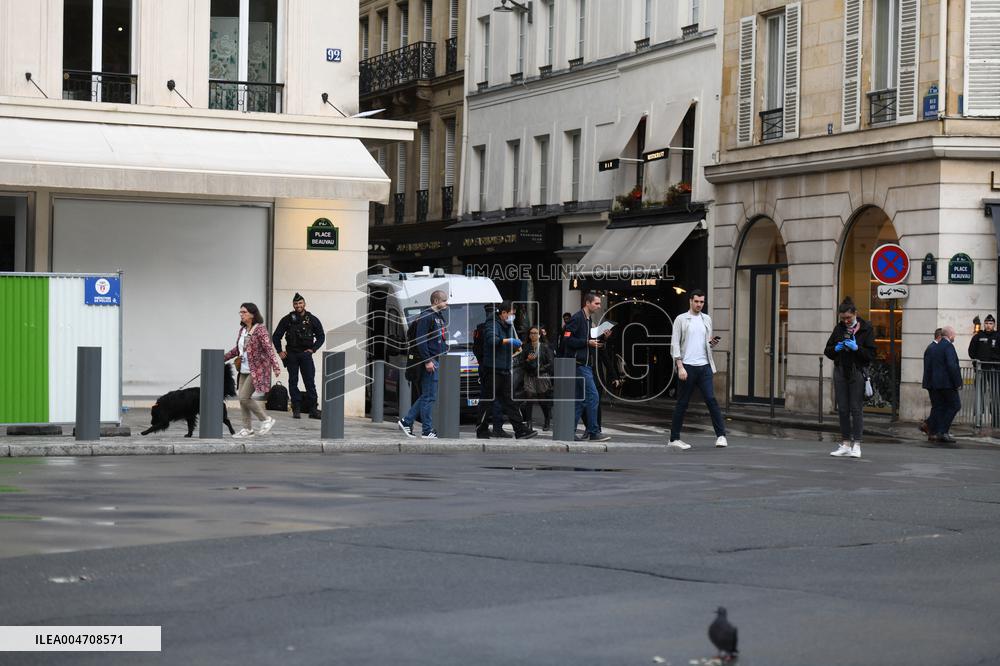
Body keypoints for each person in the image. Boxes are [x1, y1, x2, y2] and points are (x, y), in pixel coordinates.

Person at [667, 289, 727, 450]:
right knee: (682, 403)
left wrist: (712, 343)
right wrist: (680, 366)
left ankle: (721, 436)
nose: (699, 304)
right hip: (687, 366)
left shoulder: (706, 319)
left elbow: (706, 343)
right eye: (697, 301)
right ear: (690, 301)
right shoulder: (681, 319)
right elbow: (675, 344)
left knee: (711, 400)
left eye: (702, 302)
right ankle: (674, 438)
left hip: (705, 366)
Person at [475, 301, 537, 439]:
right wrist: (509, 341)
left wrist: (514, 345)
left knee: (510, 401)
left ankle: (520, 430)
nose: (512, 316)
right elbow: (492, 340)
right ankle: (481, 429)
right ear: (503, 313)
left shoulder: (507, 325)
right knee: (488, 401)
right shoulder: (492, 324)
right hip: (492, 369)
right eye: (511, 314)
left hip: (504, 369)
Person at [823, 297, 876, 458]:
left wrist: (856, 348)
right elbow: (827, 350)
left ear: (855, 314)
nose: (846, 321)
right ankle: (845, 444)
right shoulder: (839, 328)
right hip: (840, 371)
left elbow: (870, 355)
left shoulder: (866, 328)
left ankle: (857, 445)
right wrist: (836, 348)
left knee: (856, 408)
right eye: (843, 318)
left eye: (848, 318)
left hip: (857, 371)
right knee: (843, 409)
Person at [223, 302, 283, 439]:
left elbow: (268, 349)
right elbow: (238, 349)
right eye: (240, 312)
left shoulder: (260, 330)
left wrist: (276, 366)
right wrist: (223, 358)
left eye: (244, 312)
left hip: (257, 370)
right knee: (242, 399)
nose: (241, 314)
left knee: (244, 397)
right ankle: (247, 429)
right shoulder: (243, 330)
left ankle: (266, 419)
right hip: (244, 369)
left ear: (252, 314)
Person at [397, 290, 449, 439]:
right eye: (444, 300)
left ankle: (407, 422)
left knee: (428, 395)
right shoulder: (427, 316)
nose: (447, 303)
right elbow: (421, 340)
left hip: (436, 360)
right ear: (436, 301)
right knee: (428, 396)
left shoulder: (438, 317)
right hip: (430, 361)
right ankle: (426, 430)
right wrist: (427, 361)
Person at [562, 293, 611, 442]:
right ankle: (594, 432)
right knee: (593, 396)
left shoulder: (588, 319)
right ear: (587, 303)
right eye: (596, 303)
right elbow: (567, 339)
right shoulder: (577, 318)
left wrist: (602, 338)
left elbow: (588, 340)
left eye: (599, 303)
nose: (599, 306)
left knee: (580, 400)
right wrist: (586, 342)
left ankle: (569, 432)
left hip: (585, 364)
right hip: (579, 365)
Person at [272, 293, 325, 419]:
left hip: (306, 355)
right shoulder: (287, 319)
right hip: (292, 355)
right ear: (293, 305)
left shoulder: (312, 319)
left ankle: (313, 410)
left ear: (304, 304)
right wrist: (280, 351)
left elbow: (321, 336)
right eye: (296, 304)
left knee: (310, 382)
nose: (298, 305)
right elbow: (276, 336)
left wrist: (313, 349)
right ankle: (296, 409)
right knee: (293, 381)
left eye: (300, 303)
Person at [927, 325, 962, 445]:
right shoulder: (948, 346)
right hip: (947, 384)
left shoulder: (936, 347)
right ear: (950, 335)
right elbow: (952, 366)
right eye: (954, 334)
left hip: (936, 384)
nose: (954, 336)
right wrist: (957, 382)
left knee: (940, 407)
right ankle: (942, 431)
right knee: (955, 405)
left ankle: (936, 430)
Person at [968, 314, 999, 428]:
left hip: (994, 370)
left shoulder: (998, 336)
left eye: (990, 323)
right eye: (986, 323)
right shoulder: (978, 336)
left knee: (995, 395)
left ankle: (996, 419)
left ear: (994, 325)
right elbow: (971, 351)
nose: (988, 325)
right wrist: (976, 363)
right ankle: (978, 420)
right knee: (979, 394)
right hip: (981, 370)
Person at [522, 325, 554, 431]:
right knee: (529, 398)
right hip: (529, 375)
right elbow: (522, 363)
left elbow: (550, 363)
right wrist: (527, 360)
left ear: (540, 335)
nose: (533, 335)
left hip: (542, 375)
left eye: (535, 333)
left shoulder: (545, 347)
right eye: (531, 333)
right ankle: (529, 423)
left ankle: (547, 419)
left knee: (542, 400)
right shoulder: (526, 347)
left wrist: (540, 369)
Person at [920, 328, 944, 439]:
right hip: (933, 383)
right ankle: (929, 427)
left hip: (932, 382)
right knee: (937, 406)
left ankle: (929, 426)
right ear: (939, 337)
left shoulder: (932, 348)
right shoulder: (933, 348)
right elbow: (932, 368)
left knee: (937, 406)